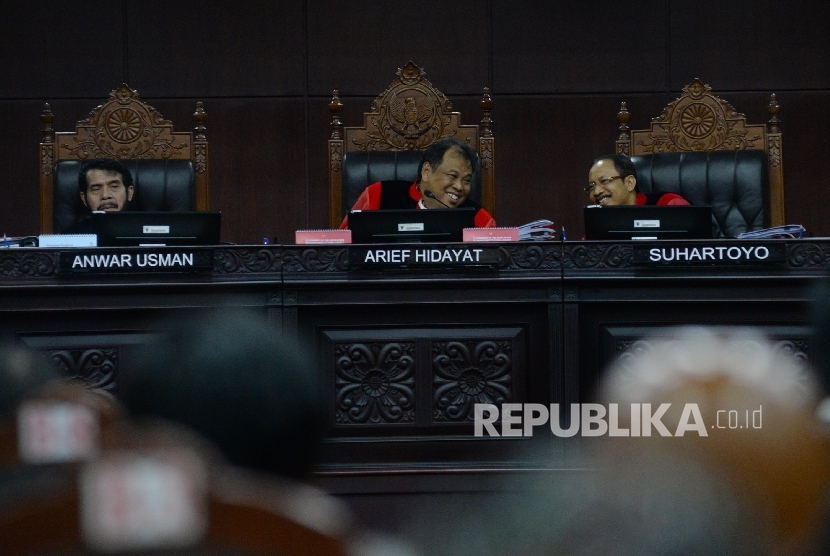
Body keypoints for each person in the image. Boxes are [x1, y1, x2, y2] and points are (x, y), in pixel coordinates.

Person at [339, 137, 496, 229]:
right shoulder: (378, 194)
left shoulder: (479, 219)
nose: (459, 187)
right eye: (452, 176)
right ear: (426, 171)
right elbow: (341, 250)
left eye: (466, 180)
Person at [61, 158, 134, 234]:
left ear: (129, 193)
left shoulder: (145, 233)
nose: (105, 195)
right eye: (96, 189)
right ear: (84, 198)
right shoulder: (68, 238)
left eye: (114, 186)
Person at [587, 154, 689, 206]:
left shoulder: (667, 203)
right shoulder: (599, 222)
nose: (596, 192)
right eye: (592, 186)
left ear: (629, 183)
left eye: (604, 181)